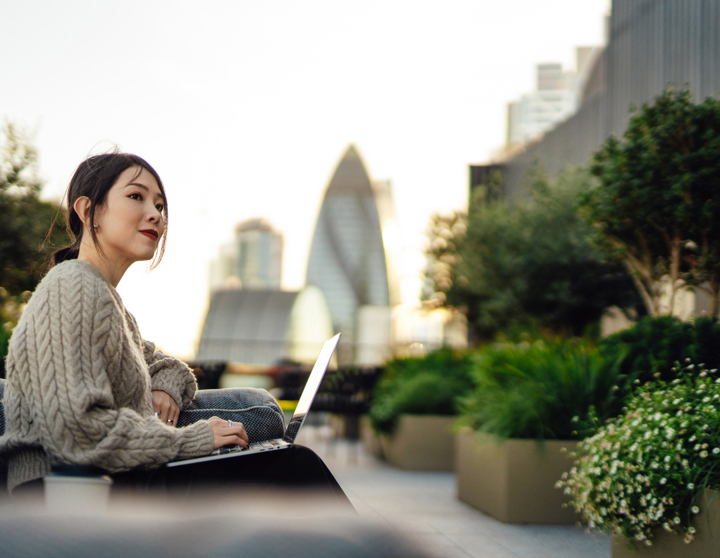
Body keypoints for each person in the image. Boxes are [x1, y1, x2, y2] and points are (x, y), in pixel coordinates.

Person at [0, 152, 351, 508]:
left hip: (104, 481)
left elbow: (170, 367)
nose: (156, 214)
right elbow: (74, 434)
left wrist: (163, 387)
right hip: (66, 494)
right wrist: (194, 440)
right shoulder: (72, 287)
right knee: (292, 467)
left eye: (160, 205)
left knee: (276, 463)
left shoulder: (107, 302)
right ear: (88, 210)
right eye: (136, 196)